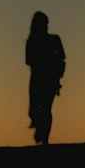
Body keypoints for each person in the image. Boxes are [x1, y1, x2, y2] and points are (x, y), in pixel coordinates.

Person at [25, 11, 66, 145]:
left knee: (46, 108)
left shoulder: (53, 39)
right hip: (39, 79)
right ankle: (42, 132)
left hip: (47, 79)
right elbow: (28, 60)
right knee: (36, 111)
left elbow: (62, 57)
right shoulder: (33, 41)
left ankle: (45, 139)